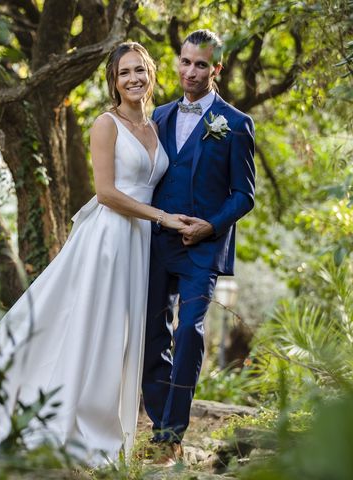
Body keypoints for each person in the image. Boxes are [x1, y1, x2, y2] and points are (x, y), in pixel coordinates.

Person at [0, 42, 184, 464]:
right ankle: (69, 419)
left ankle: (103, 421)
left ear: (151, 73)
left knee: (121, 336)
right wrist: (162, 217)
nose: (133, 78)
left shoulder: (157, 125)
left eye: (140, 70)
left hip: (141, 244)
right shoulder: (106, 124)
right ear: (113, 81)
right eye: (124, 73)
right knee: (90, 326)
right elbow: (105, 192)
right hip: (110, 238)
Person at [142, 29, 256, 463]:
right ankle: (159, 427)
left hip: (201, 251)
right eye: (186, 62)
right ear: (178, 62)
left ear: (217, 69)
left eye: (201, 65)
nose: (191, 72)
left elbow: (243, 195)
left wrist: (210, 227)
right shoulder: (160, 117)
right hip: (156, 245)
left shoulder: (237, 124)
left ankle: (171, 436)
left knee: (188, 331)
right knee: (153, 335)